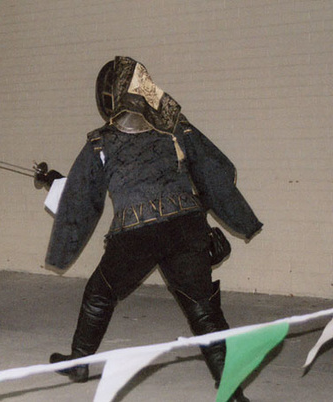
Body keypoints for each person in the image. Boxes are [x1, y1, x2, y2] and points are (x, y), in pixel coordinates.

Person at [42, 57, 262, 401]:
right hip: (186, 227)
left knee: (100, 294)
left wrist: (60, 243)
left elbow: (81, 198)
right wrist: (215, 221)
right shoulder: (178, 128)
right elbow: (217, 172)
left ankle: (79, 363)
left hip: (137, 234)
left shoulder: (101, 142)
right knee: (204, 311)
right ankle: (233, 391)